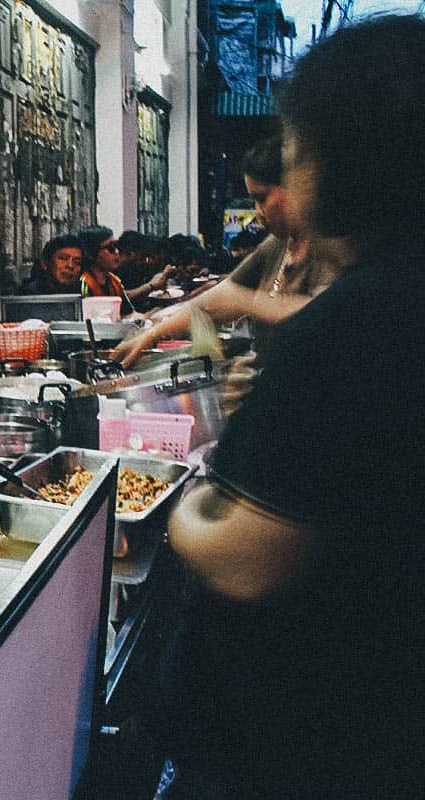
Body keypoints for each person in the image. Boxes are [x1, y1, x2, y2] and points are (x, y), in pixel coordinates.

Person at [157, 15, 425, 798]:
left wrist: (189, 502)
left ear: (343, 162)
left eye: (297, 148)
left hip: (307, 739)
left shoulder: (365, 316)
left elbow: (244, 558)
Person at [114, 133, 346, 367]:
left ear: (295, 187)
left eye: (262, 198)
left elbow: (326, 311)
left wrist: (245, 302)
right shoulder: (276, 246)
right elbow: (213, 301)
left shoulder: (334, 249)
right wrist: (152, 332)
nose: (258, 212)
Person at [77, 225, 173, 314]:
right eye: (111, 248)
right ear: (91, 254)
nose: (117, 251)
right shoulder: (83, 282)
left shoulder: (114, 281)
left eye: (116, 246)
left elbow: (129, 314)